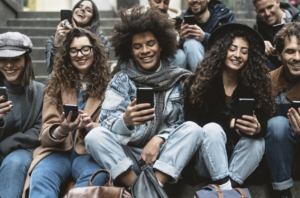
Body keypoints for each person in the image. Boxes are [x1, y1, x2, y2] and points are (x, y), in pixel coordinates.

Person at [84, 6, 202, 190]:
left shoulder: (180, 79)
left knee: (193, 129)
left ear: (161, 45)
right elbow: (105, 124)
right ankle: (146, 190)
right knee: (94, 136)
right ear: (130, 51)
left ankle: (145, 189)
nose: (145, 50)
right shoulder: (121, 81)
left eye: (150, 43)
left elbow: (182, 122)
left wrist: (159, 139)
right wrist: (126, 121)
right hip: (128, 157)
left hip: (163, 157)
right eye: (137, 46)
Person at [23, 28, 111, 198]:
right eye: (74, 50)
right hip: (57, 151)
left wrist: (91, 127)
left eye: (85, 48)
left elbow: (112, 130)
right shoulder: (55, 81)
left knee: (97, 177)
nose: (80, 54)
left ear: (95, 50)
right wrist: (62, 129)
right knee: (41, 177)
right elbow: (45, 132)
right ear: (67, 54)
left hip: (89, 153)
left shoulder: (110, 85)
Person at [184, 23, 273, 190]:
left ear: (249, 57)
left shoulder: (255, 85)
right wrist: (230, 123)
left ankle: (225, 188)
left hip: (238, 163)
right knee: (212, 129)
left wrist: (257, 127)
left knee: (258, 142)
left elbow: (263, 116)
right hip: (206, 159)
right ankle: (228, 191)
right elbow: (191, 119)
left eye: (244, 51)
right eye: (232, 49)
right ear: (222, 50)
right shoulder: (200, 82)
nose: (237, 55)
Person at [0, 32, 44, 198]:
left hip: (23, 151)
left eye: (16, 59)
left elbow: (40, 129)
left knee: (15, 162)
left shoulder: (40, 92)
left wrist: (6, 145)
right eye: (3, 59)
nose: (9, 65)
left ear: (26, 60)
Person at [264, 22, 300, 198]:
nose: (297, 57)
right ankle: (283, 193)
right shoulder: (267, 82)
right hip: (276, 159)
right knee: (277, 124)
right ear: (279, 54)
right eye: (290, 51)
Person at [45, 0, 110, 74]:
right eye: (79, 7)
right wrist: (57, 44)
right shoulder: (53, 40)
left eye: (88, 10)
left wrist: (75, 34)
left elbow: (101, 71)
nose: (82, 9)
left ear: (93, 18)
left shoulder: (102, 41)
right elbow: (52, 72)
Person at [180, 0, 235, 72]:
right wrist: (181, 41)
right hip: (193, 71)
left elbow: (232, 46)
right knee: (190, 44)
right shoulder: (181, 21)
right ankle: (201, 80)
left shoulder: (225, 16)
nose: (194, 0)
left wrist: (205, 37)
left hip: (219, 68)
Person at [253, 0, 300, 70]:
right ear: (256, 11)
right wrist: (260, 44)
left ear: (277, 2)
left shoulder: (298, 19)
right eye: (261, 11)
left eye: (270, 7)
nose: (267, 13)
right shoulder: (257, 29)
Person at [147, 0, 187, 69]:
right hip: (145, 55)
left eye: (166, 3)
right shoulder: (138, 18)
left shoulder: (175, 19)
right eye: (157, 1)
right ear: (149, 1)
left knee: (180, 55)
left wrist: (181, 39)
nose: (162, 7)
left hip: (168, 56)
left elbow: (178, 46)